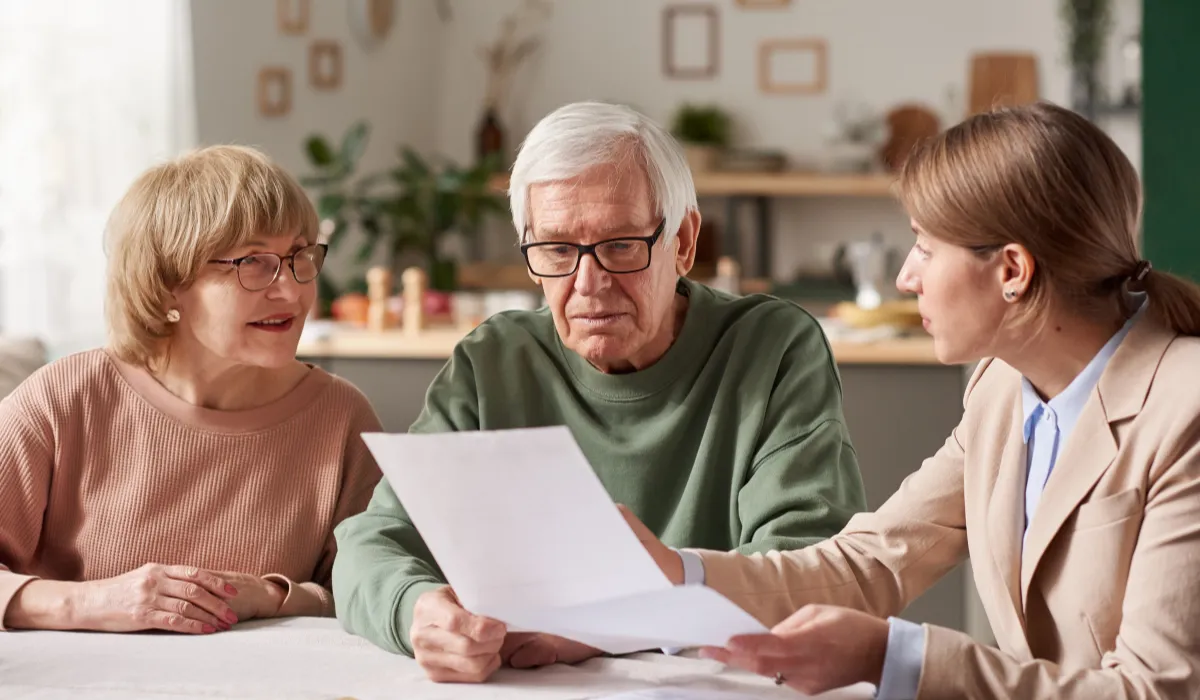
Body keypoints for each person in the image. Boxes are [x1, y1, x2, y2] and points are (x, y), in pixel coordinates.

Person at [624, 101, 1200, 699]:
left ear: (1012, 270)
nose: (905, 276)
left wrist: (898, 658)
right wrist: (677, 575)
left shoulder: (1186, 411)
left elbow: (1157, 691)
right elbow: (872, 563)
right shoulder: (1001, 388)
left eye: (924, 246)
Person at [332, 101, 867, 682]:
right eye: (558, 250)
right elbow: (369, 545)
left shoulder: (773, 348)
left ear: (683, 242)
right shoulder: (494, 361)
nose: (589, 285)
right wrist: (416, 612)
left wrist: (607, 628)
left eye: (620, 245)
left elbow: (809, 574)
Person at [0, 145, 383, 634]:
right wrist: (92, 601)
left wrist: (271, 595)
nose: (292, 291)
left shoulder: (341, 416)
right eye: (254, 262)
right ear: (166, 284)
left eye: (298, 256)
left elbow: (374, 591)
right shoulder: (66, 398)